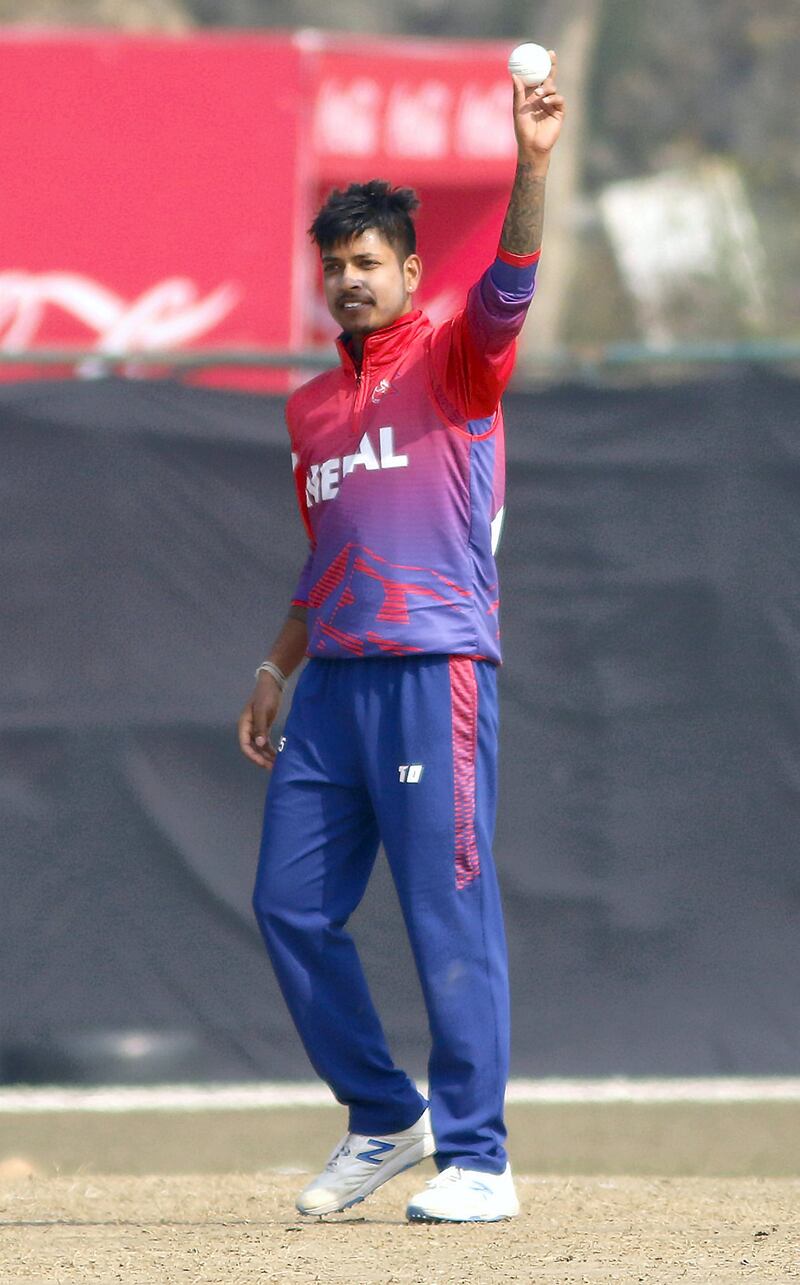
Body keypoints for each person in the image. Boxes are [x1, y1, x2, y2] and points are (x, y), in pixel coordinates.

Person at [238, 56, 565, 1223]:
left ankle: (478, 1155)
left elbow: (512, 279)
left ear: (408, 271)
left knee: (445, 909)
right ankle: (384, 1112)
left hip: (435, 674)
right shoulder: (308, 408)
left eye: (366, 261)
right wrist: (280, 661)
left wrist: (528, 167)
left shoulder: (457, 359)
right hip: (332, 683)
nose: (346, 279)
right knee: (287, 905)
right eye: (333, 264)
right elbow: (327, 551)